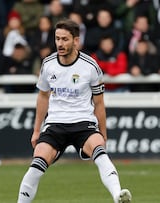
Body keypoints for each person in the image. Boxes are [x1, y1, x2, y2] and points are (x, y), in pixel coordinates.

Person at [16, 19, 132, 203]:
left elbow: (99, 103)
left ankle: (118, 195)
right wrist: (37, 129)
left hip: (83, 122)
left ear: (76, 41)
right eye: (57, 39)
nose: (60, 44)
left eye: (65, 39)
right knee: (36, 164)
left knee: (100, 151)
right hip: (55, 124)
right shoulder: (48, 64)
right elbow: (43, 97)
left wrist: (103, 133)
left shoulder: (90, 66)